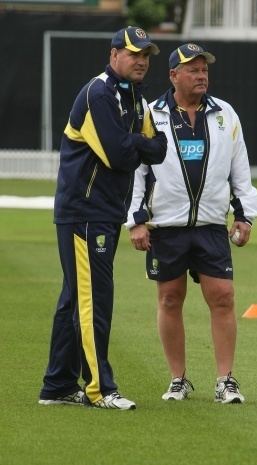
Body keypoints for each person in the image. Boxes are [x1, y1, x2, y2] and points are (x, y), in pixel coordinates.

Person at [38, 26, 167, 410]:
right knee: (94, 299)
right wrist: (139, 146)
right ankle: (99, 388)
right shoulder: (100, 92)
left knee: (74, 299)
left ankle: (58, 385)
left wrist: (138, 145)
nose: (141, 61)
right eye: (133, 54)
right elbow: (118, 155)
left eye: (145, 55)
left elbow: (158, 149)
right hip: (85, 212)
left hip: (102, 211)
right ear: (114, 55)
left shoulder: (134, 98)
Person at [126, 43, 257, 404]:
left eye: (204, 70)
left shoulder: (225, 114)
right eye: (193, 70)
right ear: (173, 75)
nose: (202, 76)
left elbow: (240, 171)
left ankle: (225, 379)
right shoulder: (151, 115)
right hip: (166, 226)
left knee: (223, 297)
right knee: (170, 299)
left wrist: (245, 214)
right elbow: (136, 173)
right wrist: (136, 221)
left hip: (211, 225)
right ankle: (177, 379)